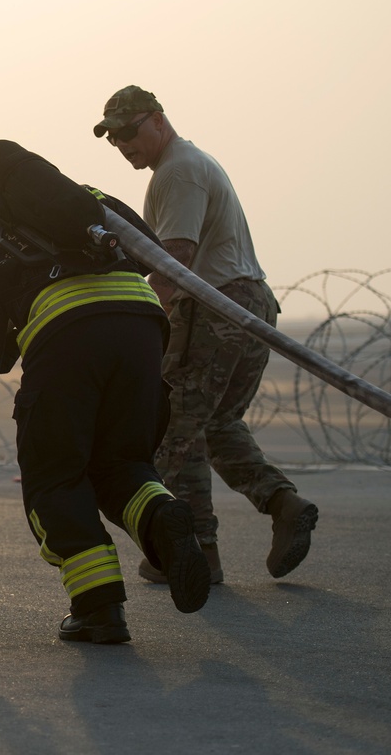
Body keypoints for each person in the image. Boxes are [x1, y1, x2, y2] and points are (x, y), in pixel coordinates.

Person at [0, 142, 211, 644]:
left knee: (54, 477)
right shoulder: (94, 204)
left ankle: (99, 609)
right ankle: (163, 519)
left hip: (69, 337)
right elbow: (153, 250)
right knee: (123, 465)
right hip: (141, 327)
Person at [94, 86, 318, 584]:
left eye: (129, 130)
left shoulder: (177, 171)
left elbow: (175, 262)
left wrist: (132, 323)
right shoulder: (186, 164)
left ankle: (197, 552)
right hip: (250, 303)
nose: (122, 143)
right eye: (112, 136)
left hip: (216, 307)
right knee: (218, 425)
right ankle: (285, 505)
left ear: (157, 121)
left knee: (176, 429)